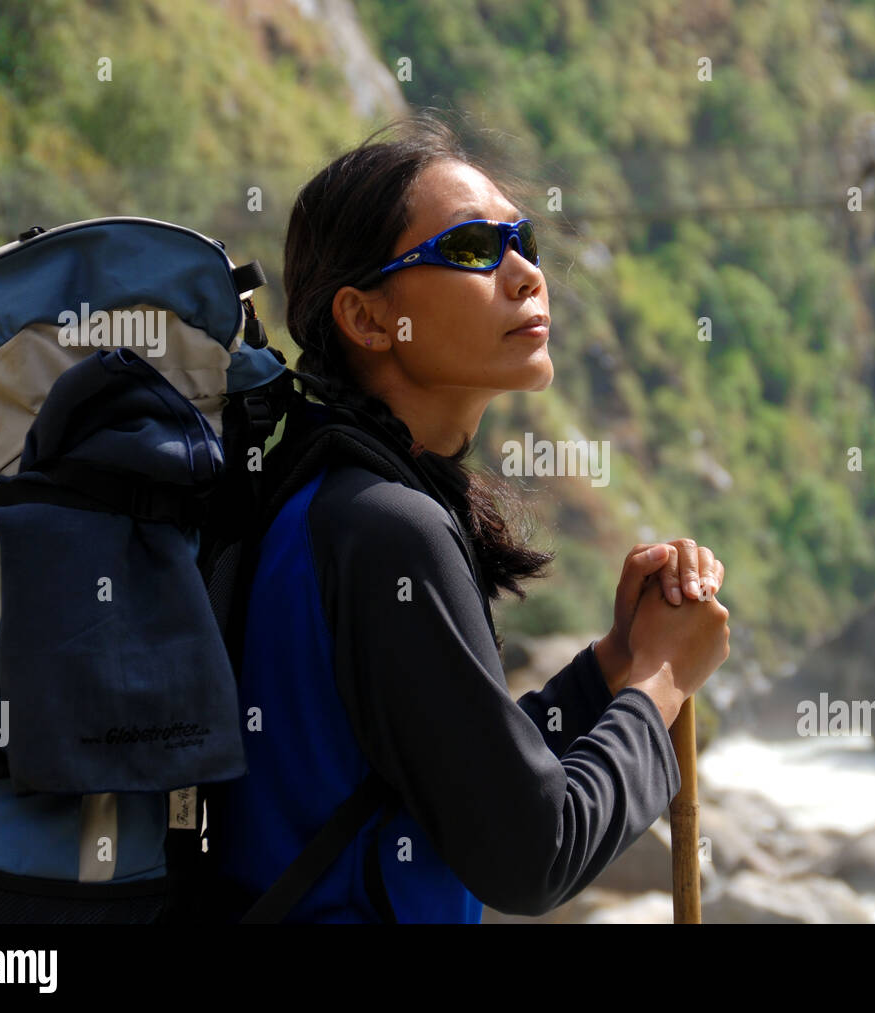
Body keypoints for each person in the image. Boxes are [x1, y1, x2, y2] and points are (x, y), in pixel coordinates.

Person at [210, 112, 731, 923]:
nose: (524, 272)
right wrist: (662, 682)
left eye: (520, 239)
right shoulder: (386, 528)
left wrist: (613, 663)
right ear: (367, 319)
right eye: (469, 250)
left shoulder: (331, 499)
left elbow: (463, 776)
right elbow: (532, 852)